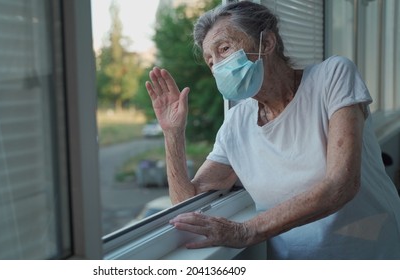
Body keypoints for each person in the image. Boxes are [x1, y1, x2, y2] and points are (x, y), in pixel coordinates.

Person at [145, 1, 400, 259]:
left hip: (371, 255)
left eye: (224, 49)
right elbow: (185, 206)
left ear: (266, 43)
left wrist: (246, 231)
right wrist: (173, 134)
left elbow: (341, 185)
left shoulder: (333, 76)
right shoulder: (235, 124)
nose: (218, 67)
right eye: (211, 62)